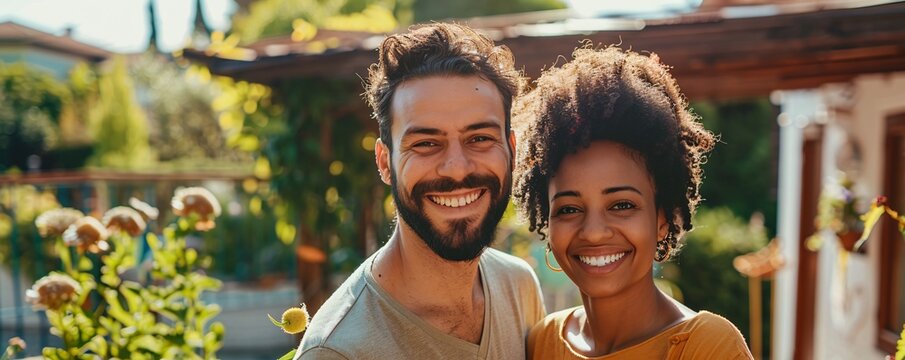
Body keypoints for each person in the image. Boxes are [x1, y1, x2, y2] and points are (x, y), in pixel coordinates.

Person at [293, 23, 545, 360]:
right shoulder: (338, 351)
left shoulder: (519, 287)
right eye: (426, 143)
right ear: (385, 162)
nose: (457, 168)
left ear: (511, 151)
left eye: (480, 138)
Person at [512, 47, 753, 359]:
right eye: (569, 209)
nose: (594, 232)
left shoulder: (707, 347)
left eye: (621, 205)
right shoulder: (542, 341)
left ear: (662, 217)